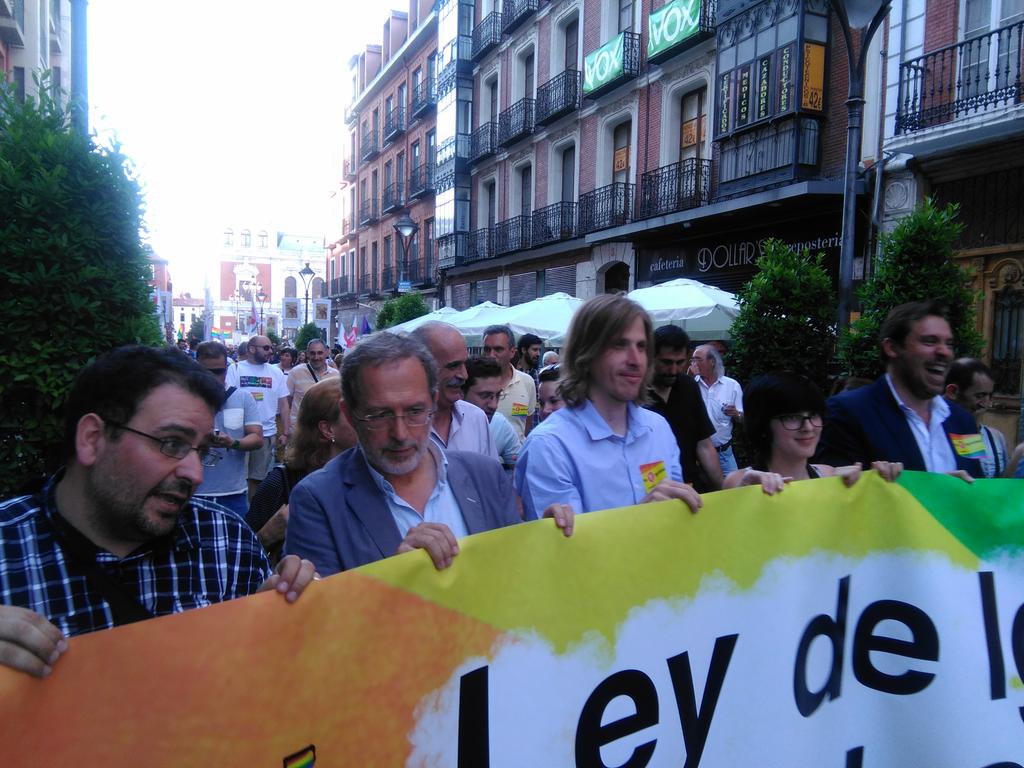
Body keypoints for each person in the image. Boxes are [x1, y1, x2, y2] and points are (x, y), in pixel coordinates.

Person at [0, 346, 316, 678]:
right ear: (92, 439)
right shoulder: (10, 552)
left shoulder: (228, 542)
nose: (195, 475)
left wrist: (284, 627)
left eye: (202, 450)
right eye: (171, 444)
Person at [285, 332, 573, 575]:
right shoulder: (317, 499)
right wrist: (396, 578)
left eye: (414, 411)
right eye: (379, 415)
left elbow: (515, 576)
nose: (400, 433)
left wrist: (545, 542)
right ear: (349, 414)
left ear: (433, 403)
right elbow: (321, 628)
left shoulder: (485, 475)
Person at [515, 294, 701, 519]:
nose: (635, 359)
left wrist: (737, 495)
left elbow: (677, 519)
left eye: (642, 347)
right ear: (585, 354)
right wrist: (640, 517)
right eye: (620, 345)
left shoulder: (658, 429)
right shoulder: (549, 446)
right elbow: (564, 551)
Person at [816, 300, 983, 480]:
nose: (944, 352)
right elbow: (836, 495)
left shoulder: (964, 420)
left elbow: (979, 485)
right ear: (892, 348)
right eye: (930, 341)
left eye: (949, 344)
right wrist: (933, 490)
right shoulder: (846, 412)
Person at [724, 372, 902, 494]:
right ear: (763, 425)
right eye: (792, 417)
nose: (808, 427)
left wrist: (883, 481)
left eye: (814, 415)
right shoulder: (740, 481)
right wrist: (744, 495)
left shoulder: (830, 476)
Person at [247, 377, 357, 561]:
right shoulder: (280, 483)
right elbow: (241, 555)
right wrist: (269, 533)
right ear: (327, 429)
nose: (367, 421)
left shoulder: (370, 477)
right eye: (354, 413)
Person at [647, 326, 723, 492]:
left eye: (680, 362)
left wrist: (722, 490)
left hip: (691, 485)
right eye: (666, 362)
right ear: (650, 357)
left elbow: (704, 445)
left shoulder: (688, 387)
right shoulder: (635, 394)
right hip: (652, 494)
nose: (674, 370)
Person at [192, 341, 264, 519]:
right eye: (207, 372)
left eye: (219, 371)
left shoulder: (242, 397)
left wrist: (233, 442)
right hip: (192, 492)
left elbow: (256, 437)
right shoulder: (185, 399)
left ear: (227, 368)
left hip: (233, 493)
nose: (214, 378)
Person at [410, 322, 498, 460]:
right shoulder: (400, 427)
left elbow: (489, 478)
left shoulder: (476, 419)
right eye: (453, 366)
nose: (464, 375)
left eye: (464, 364)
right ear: (420, 369)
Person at [227, 335, 292, 496]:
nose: (271, 351)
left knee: (257, 479)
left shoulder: (276, 373)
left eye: (271, 348)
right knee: (236, 476)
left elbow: (283, 404)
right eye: (266, 348)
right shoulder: (235, 369)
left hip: (266, 434)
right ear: (251, 349)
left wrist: (285, 432)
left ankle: (250, 514)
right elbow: (228, 400)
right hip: (239, 434)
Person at [944, 358, 1024, 478]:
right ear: (952, 392)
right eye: (979, 395)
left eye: (990, 395)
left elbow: (1000, 487)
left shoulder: (996, 437)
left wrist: (1018, 455)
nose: (986, 402)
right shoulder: (936, 433)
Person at [692, 344, 744, 475]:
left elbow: (743, 419)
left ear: (712, 362)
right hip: (695, 455)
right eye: (692, 360)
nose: (693, 363)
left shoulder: (732, 386)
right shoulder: (690, 385)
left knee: (733, 491)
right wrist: (690, 380)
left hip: (723, 453)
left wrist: (736, 414)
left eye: (698, 359)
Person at [463, 355, 522, 470]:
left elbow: (519, 467)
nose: (494, 405)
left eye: (498, 395)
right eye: (485, 396)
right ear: (461, 392)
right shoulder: (443, 428)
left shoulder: (500, 424)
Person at [482, 325, 537, 443]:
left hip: (515, 459)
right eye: (487, 349)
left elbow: (526, 424)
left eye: (498, 349)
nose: (491, 355)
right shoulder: (473, 383)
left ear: (512, 352)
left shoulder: (527, 382)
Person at [286, 339, 339, 432]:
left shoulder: (336, 375)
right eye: (312, 353)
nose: (316, 357)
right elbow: (287, 402)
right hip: (300, 430)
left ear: (327, 353)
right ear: (307, 354)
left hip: (325, 431)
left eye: (320, 353)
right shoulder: (295, 372)